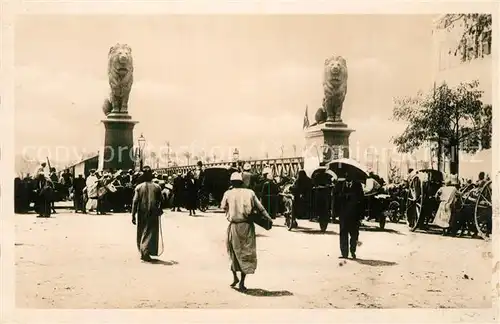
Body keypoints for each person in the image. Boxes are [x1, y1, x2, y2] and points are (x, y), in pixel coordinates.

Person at [221, 172, 272, 291]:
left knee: (233, 251)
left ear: (231, 182)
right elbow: (261, 208)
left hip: (234, 226)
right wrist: (268, 219)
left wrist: (230, 211)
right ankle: (242, 282)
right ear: (242, 181)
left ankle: (234, 277)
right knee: (246, 252)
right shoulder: (250, 192)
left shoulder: (228, 193)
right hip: (247, 225)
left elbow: (223, 206)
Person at [131, 166, 164, 262]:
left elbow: (135, 202)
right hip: (153, 212)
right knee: (150, 232)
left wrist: (133, 215)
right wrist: (159, 209)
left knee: (142, 231)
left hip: (142, 212)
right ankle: (146, 252)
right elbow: (162, 200)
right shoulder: (157, 187)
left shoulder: (139, 187)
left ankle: (143, 251)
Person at [335, 172, 364, 259]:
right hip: (343, 214)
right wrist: (335, 214)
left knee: (354, 233)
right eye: (346, 175)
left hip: (354, 214)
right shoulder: (340, 185)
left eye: (350, 176)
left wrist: (361, 215)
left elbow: (362, 200)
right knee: (343, 233)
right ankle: (344, 253)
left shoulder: (358, 185)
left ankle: (352, 250)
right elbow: (335, 198)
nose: (348, 178)